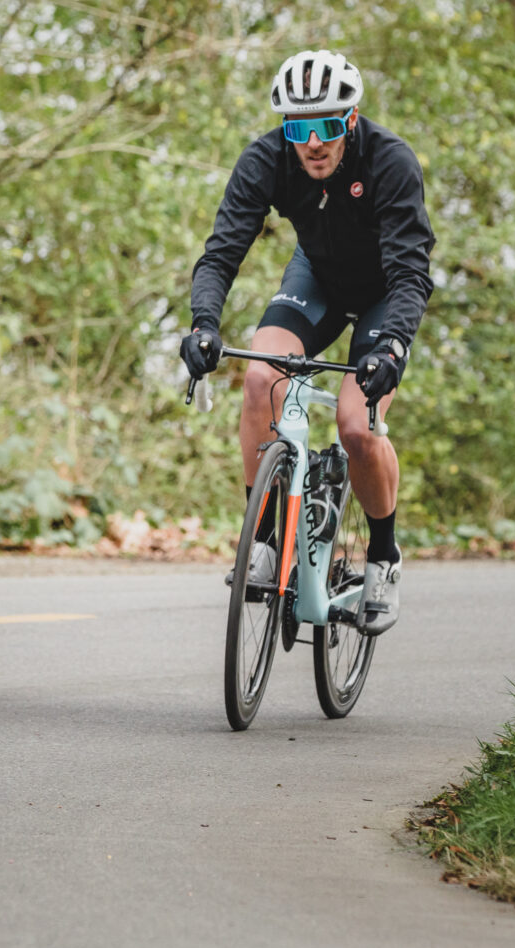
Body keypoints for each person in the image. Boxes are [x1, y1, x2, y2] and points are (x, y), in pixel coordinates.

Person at [181, 49, 432, 633]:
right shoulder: (268, 159)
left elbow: (409, 272)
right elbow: (221, 253)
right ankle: (265, 538)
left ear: (351, 118)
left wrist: (391, 347)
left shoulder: (389, 160)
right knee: (260, 379)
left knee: (354, 423)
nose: (313, 142)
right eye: (298, 128)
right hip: (315, 278)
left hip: (381, 295)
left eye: (326, 126)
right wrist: (203, 325)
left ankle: (384, 557)